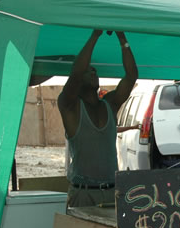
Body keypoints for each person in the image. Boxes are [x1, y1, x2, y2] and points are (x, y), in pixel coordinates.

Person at [59, 30, 138, 208]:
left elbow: (131, 76)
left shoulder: (110, 104)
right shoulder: (70, 106)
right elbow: (76, 73)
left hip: (112, 191)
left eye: (95, 71)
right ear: (78, 81)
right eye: (88, 71)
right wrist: (95, 35)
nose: (93, 72)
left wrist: (122, 39)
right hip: (83, 193)